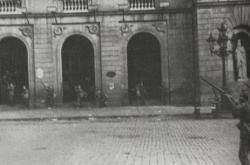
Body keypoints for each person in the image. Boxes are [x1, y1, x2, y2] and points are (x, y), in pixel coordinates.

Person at [224, 90, 250, 165]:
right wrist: (232, 99)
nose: (238, 99)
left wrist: (229, 99)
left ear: (242, 98)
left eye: (240, 97)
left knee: (242, 155)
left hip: (246, 133)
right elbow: (237, 108)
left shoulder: (244, 106)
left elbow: (235, 112)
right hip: (247, 132)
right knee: (244, 154)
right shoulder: (246, 105)